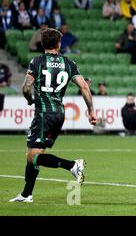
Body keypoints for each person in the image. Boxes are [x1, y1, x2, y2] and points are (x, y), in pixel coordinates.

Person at [9, 28, 97, 203]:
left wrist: (29, 99)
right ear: (59, 44)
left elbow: (26, 87)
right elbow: (84, 87)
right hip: (59, 114)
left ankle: (72, 165)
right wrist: (91, 110)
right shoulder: (69, 63)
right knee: (35, 153)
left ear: (42, 44)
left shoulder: (37, 61)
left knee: (32, 156)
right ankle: (27, 194)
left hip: (44, 114)